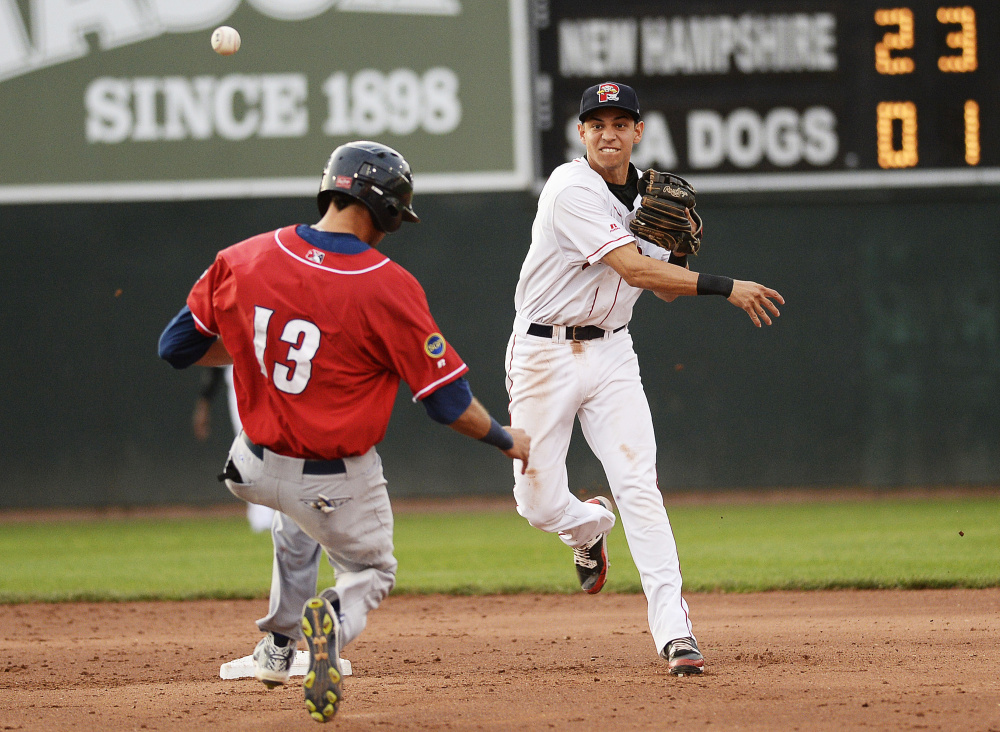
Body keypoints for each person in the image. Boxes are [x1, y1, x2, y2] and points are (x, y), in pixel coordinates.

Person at [159, 140, 530, 722]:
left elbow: (176, 347)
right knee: (370, 570)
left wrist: (255, 348)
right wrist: (507, 439)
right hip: (333, 476)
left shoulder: (245, 257)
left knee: (296, 527)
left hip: (251, 468)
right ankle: (331, 618)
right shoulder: (387, 284)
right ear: (384, 210)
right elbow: (446, 403)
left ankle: (279, 648)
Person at [505, 82, 783, 676]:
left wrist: (678, 258)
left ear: (637, 131)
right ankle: (587, 524)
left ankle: (675, 634)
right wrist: (725, 286)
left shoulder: (650, 195)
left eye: (620, 122)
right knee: (534, 503)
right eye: (597, 123)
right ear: (581, 134)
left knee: (640, 485)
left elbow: (658, 286)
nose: (609, 133)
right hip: (543, 354)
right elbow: (630, 266)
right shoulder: (568, 187)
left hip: (611, 356)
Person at [192, 366, 276, 532]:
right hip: (242, 383)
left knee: (272, 451)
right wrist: (204, 402)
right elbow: (215, 364)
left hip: (274, 381)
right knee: (250, 452)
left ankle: (274, 517)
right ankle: (262, 518)